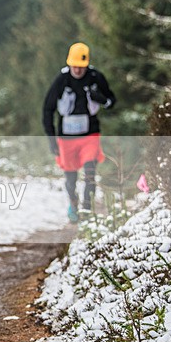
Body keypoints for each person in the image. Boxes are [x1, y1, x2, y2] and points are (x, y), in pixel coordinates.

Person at [43, 42, 116, 223]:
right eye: (74, 66)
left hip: (90, 135)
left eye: (81, 66)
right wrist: (52, 139)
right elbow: (47, 109)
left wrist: (101, 99)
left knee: (90, 173)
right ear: (69, 64)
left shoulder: (95, 77)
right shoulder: (62, 80)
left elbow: (111, 101)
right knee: (71, 178)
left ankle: (87, 210)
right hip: (66, 138)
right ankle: (73, 204)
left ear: (87, 64)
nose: (77, 70)